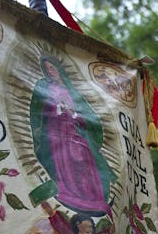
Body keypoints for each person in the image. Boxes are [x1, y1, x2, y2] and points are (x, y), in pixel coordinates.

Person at [29, 56, 116, 217]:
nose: (51, 71)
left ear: (59, 69)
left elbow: (85, 115)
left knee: (83, 159)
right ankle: (70, 195)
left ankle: (93, 198)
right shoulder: (47, 86)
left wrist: (74, 114)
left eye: (53, 68)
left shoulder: (72, 91)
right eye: (47, 69)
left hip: (76, 130)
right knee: (64, 160)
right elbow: (41, 109)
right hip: (56, 130)